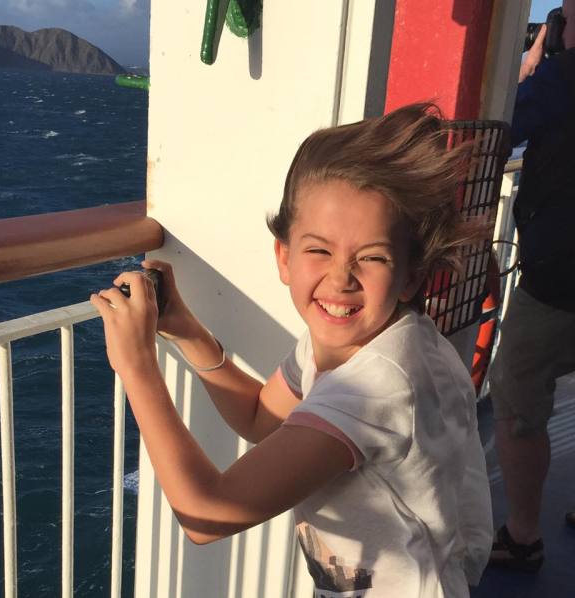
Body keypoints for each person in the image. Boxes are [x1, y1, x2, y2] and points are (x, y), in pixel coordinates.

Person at [91, 103, 492, 597]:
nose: (341, 279)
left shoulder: (377, 385)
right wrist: (188, 331)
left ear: (410, 275)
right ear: (285, 256)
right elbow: (263, 417)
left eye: (371, 258)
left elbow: (208, 514)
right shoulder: (358, 338)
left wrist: (136, 366)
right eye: (319, 251)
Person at [488, 0, 575, 573]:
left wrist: (535, 61)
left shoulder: (564, 79)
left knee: (517, 396)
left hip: (560, 279)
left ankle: (522, 536)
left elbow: (507, 124)